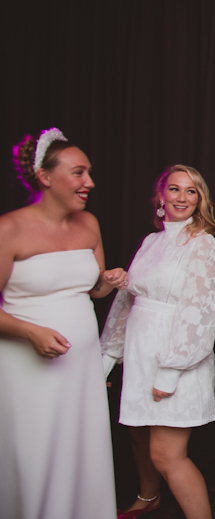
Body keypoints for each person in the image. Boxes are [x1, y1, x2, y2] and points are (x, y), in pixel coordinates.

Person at [0, 128, 128, 518]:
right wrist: (30, 332)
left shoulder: (88, 223)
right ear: (45, 177)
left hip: (80, 366)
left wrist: (108, 283)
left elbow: (92, 290)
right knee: (36, 454)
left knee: (80, 451)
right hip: (26, 368)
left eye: (88, 173)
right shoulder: (10, 229)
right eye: (78, 172)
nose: (89, 182)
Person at [101, 165, 215, 519]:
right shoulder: (151, 242)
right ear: (160, 197)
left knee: (167, 454)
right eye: (174, 189)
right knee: (138, 435)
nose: (182, 197)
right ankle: (148, 496)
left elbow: (201, 312)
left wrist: (170, 371)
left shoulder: (204, 245)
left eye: (191, 191)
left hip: (176, 357)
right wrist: (108, 355)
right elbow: (128, 299)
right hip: (141, 352)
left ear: (200, 199)